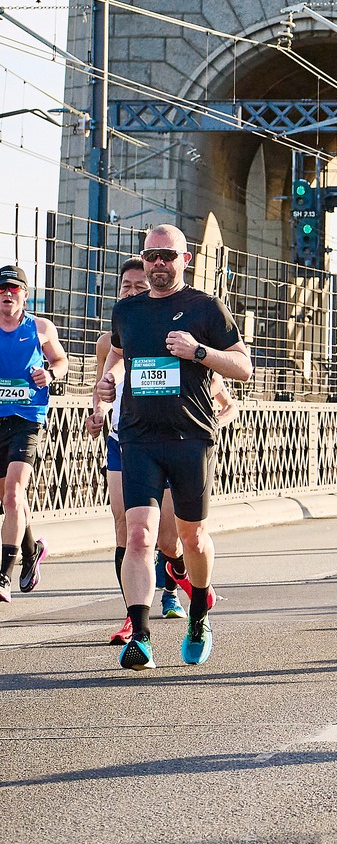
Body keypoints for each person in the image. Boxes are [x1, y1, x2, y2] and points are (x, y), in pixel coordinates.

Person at [94, 224, 251, 670]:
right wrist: (110, 383)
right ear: (143, 260)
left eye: (167, 255)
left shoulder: (205, 307)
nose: (158, 263)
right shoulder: (127, 312)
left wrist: (199, 352)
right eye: (151, 256)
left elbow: (244, 367)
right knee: (139, 535)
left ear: (185, 259)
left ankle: (199, 613)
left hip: (190, 438)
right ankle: (140, 635)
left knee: (191, 538)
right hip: (138, 438)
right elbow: (122, 361)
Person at [86, 259, 151, 641]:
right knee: (125, 525)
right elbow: (101, 388)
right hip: (120, 439)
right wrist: (97, 414)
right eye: (125, 286)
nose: (130, 292)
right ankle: (132, 614)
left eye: (139, 287)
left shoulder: (164, 329)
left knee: (169, 538)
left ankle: (175, 579)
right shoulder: (107, 342)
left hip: (162, 439)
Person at [0, 263, 67, 603]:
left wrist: (50, 374)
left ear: (25, 295)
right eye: (1, 290)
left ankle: (3, 576)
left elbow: (61, 360)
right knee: (9, 501)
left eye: (14, 290)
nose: (7, 295)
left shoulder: (39, 327)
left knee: (14, 494)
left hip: (27, 418)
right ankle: (31, 551)